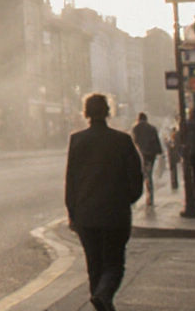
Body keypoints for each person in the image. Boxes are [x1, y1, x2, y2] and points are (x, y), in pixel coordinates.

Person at [65, 94, 144, 311]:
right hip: (115, 214)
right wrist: (126, 200)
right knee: (114, 264)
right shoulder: (122, 140)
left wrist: (72, 212)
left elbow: (71, 180)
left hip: (86, 214)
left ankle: (100, 299)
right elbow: (136, 177)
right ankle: (104, 295)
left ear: (86, 113)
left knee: (94, 267)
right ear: (108, 111)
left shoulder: (77, 140)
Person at [130, 112, 163, 206]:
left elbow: (134, 141)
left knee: (140, 174)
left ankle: (136, 195)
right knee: (149, 174)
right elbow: (156, 141)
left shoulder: (135, 128)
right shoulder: (152, 128)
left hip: (140, 154)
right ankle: (150, 196)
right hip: (150, 155)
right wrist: (159, 151)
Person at [166, 126, 181, 191]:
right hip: (174, 155)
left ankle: (174, 184)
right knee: (173, 169)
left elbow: (171, 147)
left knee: (173, 169)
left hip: (173, 156)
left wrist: (167, 142)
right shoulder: (175, 139)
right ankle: (174, 183)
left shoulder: (173, 140)